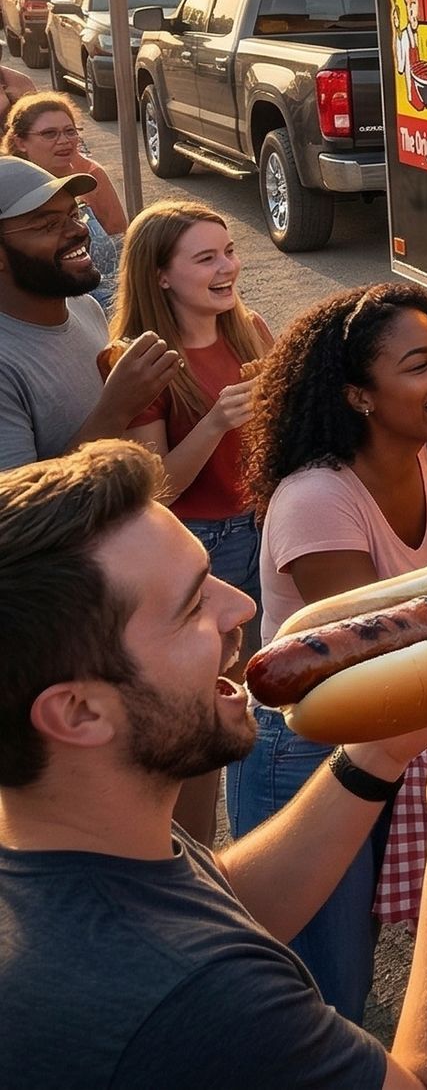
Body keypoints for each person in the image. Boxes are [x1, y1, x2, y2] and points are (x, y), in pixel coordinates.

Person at [0, 438, 427, 1088]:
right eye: (190, 608)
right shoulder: (204, 999)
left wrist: (376, 752)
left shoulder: (64, 826)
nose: (242, 607)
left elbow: (224, 899)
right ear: (78, 712)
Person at [229, 281, 427, 1020]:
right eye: (419, 363)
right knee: (326, 987)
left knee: (365, 952)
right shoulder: (314, 499)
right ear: (361, 395)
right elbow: (379, 647)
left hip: (394, 735)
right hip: (305, 749)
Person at [111, 200, 274, 846]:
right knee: (207, 715)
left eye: (229, 250)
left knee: (274, 703)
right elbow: (157, 487)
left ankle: (266, 840)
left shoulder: (252, 330)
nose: (227, 266)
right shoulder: (143, 360)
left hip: (267, 526)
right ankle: (197, 858)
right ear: (160, 275)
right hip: (202, 547)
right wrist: (215, 421)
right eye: (205, 257)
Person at [0, 158, 176, 469]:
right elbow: (18, 512)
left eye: (75, 213)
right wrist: (117, 408)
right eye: (48, 224)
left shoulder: (84, 306)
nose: (79, 230)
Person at [2, 91, 129, 315]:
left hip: (117, 309)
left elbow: (122, 241)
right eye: (49, 134)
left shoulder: (92, 175)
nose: (64, 141)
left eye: (70, 131)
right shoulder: (10, 189)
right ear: (20, 142)